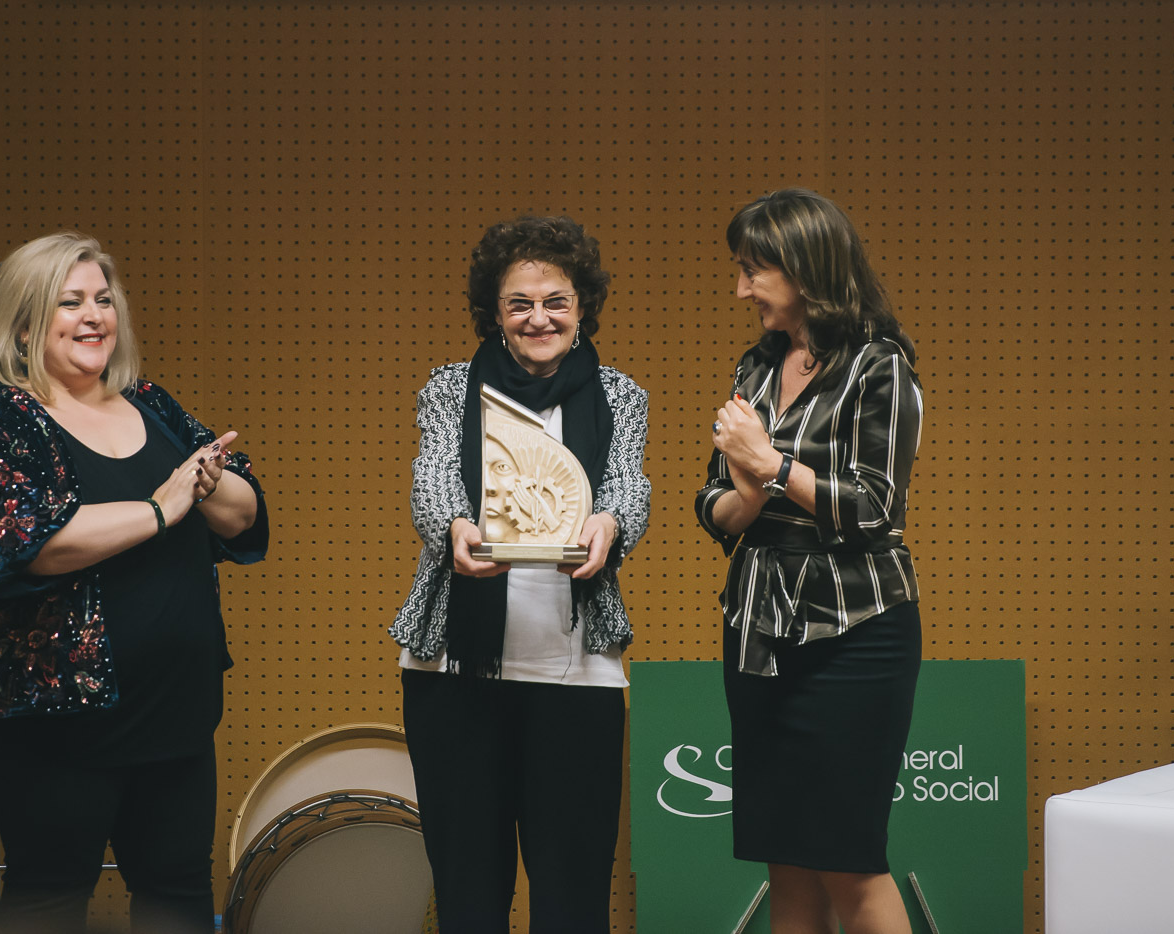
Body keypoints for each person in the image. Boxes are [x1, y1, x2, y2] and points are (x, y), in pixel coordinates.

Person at [0, 232, 268, 934]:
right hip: (55, 723)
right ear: (25, 324)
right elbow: (27, 545)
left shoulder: (149, 403)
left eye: (103, 300)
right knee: (50, 898)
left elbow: (244, 514)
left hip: (174, 710)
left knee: (178, 894)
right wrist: (160, 507)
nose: (94, 316)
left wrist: (206, 483)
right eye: (70, 302)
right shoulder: (0, 420)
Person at [390, 215, 651, 933]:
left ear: (581, 306)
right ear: (495, 313)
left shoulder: (619, 394)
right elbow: (432, 475)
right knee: (469, 894)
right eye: (520, 304)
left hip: (577, 674)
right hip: (454, 670)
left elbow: (628, 482)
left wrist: (611, 523)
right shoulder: (451, 388)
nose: (540, 318)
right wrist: (453, 527)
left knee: (573, 897)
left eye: (556, 301)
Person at [694, 189, 924, 934]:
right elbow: (713, 502)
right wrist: (748, 493)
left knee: (849, 861)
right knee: (786, 861)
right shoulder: (757, 367)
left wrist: (770, 465)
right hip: (757, 631)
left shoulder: (879, 366)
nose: (741, 289)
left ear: (803, 267)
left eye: (753, 270)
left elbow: (875, 509)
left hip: (855, 633)